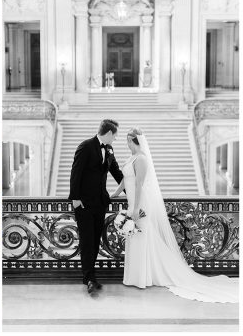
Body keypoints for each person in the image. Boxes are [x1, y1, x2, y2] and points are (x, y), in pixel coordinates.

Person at [112, 129, 238, 303]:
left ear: (134, 141)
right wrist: (116, 194)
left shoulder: (141, 159)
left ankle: (144, 277)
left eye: (128, 140)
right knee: (135, 237)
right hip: (132, 202)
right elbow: (125, 179)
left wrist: (136, 208)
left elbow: (140, 184)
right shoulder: (131, 158)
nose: (126, 143)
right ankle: (136, 276)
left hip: (141, 204)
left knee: (142, 236)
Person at [69, 119, 124, 294]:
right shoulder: (85, 146)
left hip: (100, 203)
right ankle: (89, 279)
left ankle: (91, 276)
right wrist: (75, 199)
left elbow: (116, 172)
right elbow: (75, 173)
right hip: (84, 204)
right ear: (108, 133)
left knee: (95, 241)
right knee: (87, 242)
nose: (115, 139)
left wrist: (130, 189)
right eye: (115, 136)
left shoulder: (109, 149)